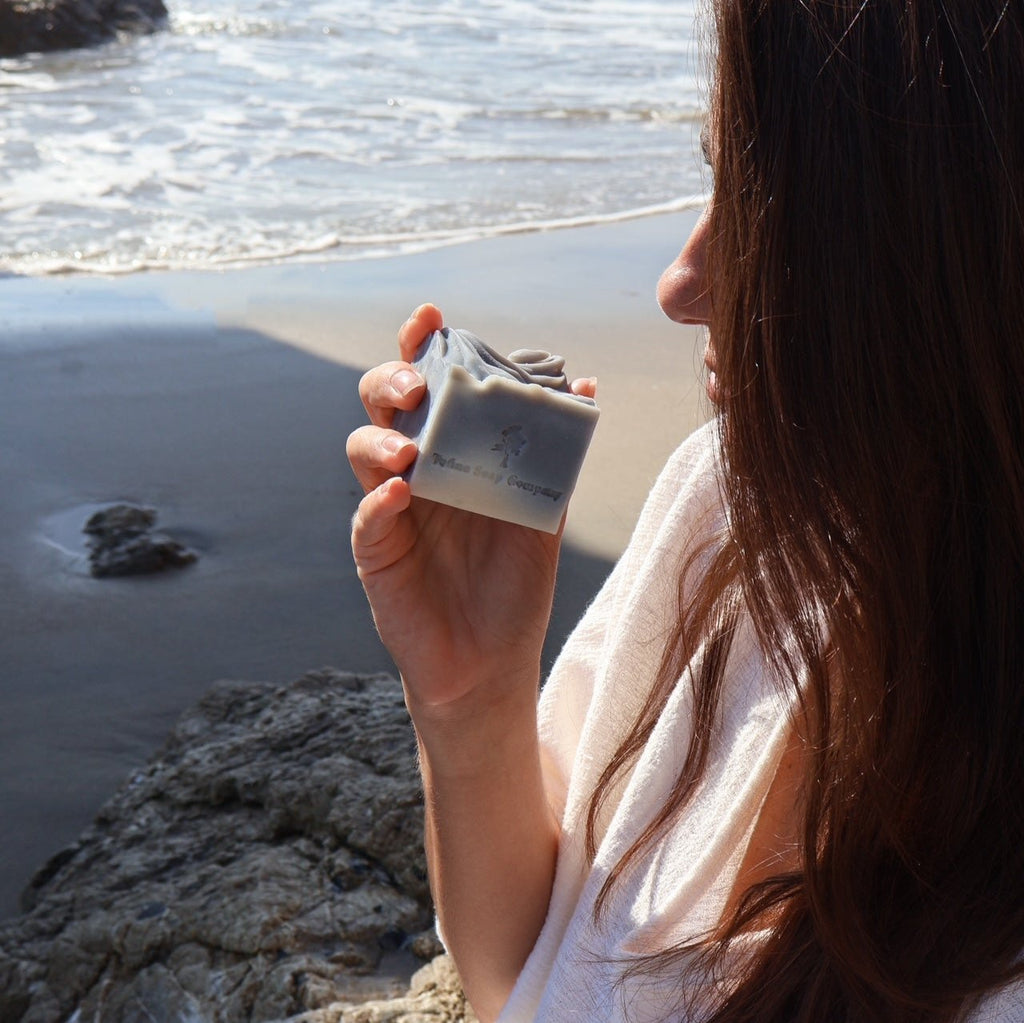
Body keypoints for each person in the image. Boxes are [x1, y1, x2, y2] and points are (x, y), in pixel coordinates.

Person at [347, 0, 1024, 1019]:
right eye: (716, 177)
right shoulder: (738, 507)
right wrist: (471, 694)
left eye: (769, 203)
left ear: (958, 252)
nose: (680, 284)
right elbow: (523, 982)